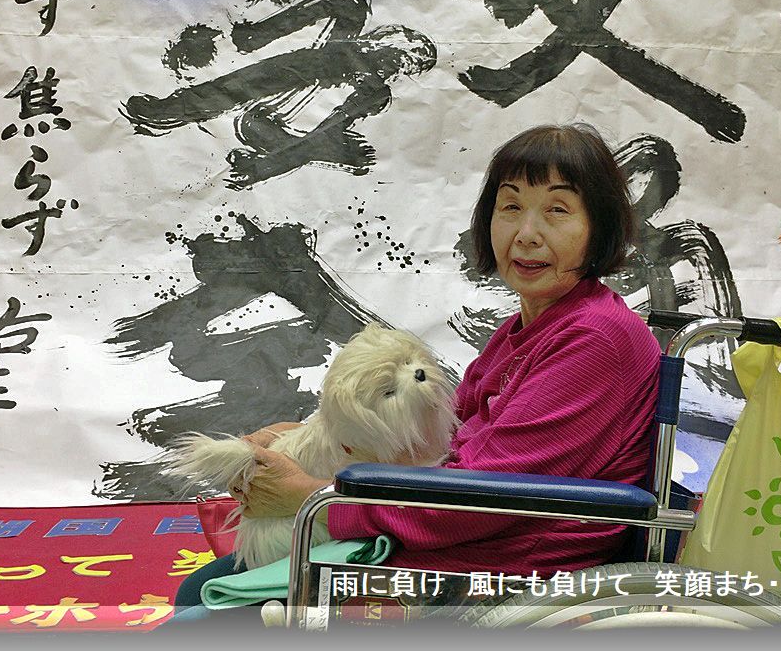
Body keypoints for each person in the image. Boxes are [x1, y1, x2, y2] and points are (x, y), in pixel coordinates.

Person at [169, 122, 660, 618]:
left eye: (557, 210)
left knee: (198, 620)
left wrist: (311, 497)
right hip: (459, 537)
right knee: (201, 588)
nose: (526, 234)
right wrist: (310, 437)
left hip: (503, 569)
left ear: (599, 226)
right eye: (511, 206)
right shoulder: (534, 324)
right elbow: (445, 435)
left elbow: (482, 502)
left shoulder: (593, 340)